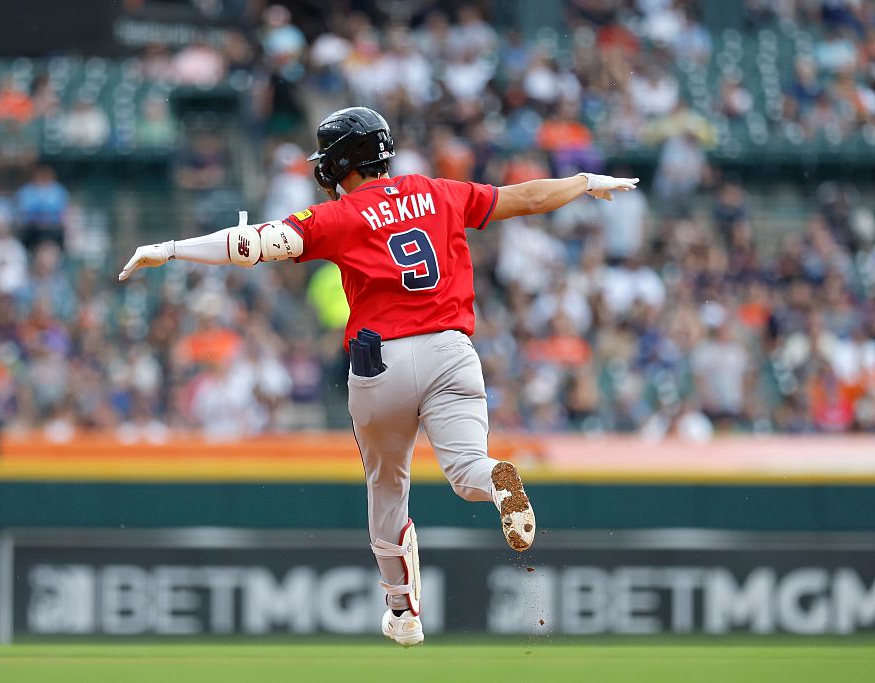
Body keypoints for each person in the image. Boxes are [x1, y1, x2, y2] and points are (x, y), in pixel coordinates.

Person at [118, 107, 638, 646]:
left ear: (339, 161)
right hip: (450, 350)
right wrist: (583, 181)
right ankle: (495, 481)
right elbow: (525, 197)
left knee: (387, 485)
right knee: (466, 468)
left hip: (381, 361)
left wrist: (171, 249)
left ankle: (403, 611)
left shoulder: (340, 215)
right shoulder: (440, 192)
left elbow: (251, 245)